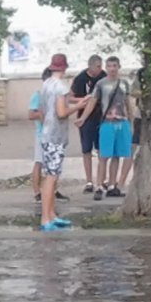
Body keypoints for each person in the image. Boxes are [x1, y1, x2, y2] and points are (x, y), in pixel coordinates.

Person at [39, 53, 88, 231]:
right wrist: (78, 106)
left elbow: (45, 110)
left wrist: (78, 101)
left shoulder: (45, 84)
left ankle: (51, 214)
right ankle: (46, 218)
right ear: (65, 68)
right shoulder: (61, 86)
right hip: (55, 136)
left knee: (51, 175)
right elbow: (61, 112)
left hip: (46, 133)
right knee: (51, 178)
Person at [76, 56, 133, 200]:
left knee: (117, 155)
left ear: (119, 67)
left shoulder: (124, 83)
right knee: (104, 156)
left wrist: (131, 122)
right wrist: (83, 118)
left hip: (122, 123)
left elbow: (128, 103)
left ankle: (113, 186)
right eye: (109, 66)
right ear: (106, 68)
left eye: (115, 66)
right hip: (107, 123)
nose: (112, 69)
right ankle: (99, 186)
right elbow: (93, 102)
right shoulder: (101, 84)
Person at [28, 69, 68, 203]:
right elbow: (31, 114)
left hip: (55, 134)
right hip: (42, 134)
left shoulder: (56, 93)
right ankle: (37, 192)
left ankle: (53, 191)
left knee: (54, 166)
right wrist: (40, 116)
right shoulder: (38, 95)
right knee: (39, 162)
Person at [70, 54, 106, 192]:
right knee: (86, 150)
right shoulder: (81, 78)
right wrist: (82, 100)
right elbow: (70, 97)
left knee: (102, 149)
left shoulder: (103, 77)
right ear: (91, 66)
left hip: (101, 117)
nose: (100, 68)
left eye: (101, 66)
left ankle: (101, 181)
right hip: (85, 118)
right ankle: (89, 181)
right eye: (98, 66)